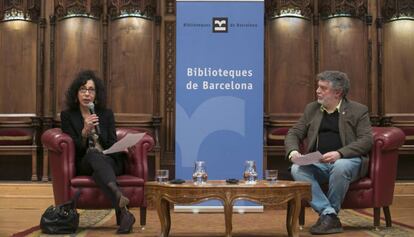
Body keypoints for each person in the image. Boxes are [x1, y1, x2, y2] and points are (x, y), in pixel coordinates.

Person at [285, 70, 373, 235]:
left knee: (340, 166)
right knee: (297, 168)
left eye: (323, 88)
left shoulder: (358, 110)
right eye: (318, 87)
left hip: (348, 159)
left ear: (337, 92)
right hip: (318, 160)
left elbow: (366, 140)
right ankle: (329, 215)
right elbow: (294, 133)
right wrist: (294, 152)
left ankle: (328, 218)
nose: (317, 91)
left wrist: (340, 153)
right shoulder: (312, 109)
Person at [61, 70, 135, 234]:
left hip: (109, 161)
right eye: (82, 89)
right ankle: (120, 198)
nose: (87, 93)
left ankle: (125, 214)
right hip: (85, 161)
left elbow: (110, 143)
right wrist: (85, 132)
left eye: (91, 90)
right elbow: (74, 149)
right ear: (76, 93)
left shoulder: (106, 114)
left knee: (99, 172)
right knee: (93, 154)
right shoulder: (68, 116)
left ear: (96, 94)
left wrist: (120, 146)